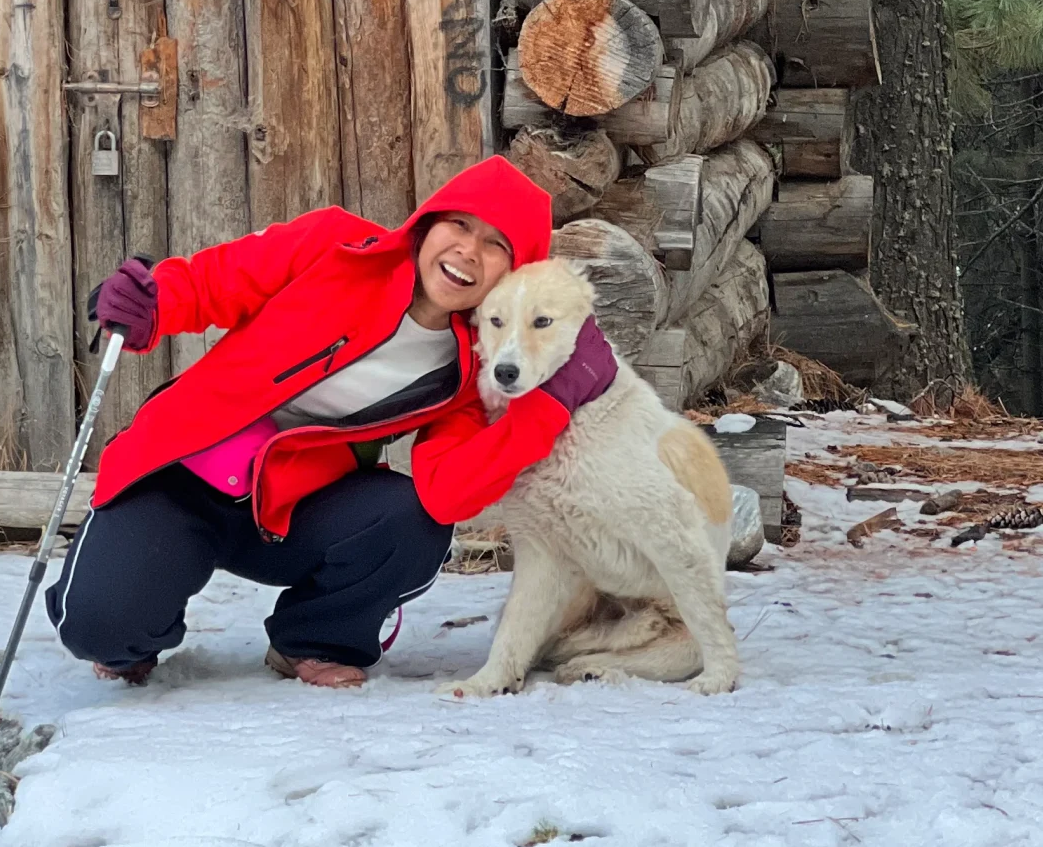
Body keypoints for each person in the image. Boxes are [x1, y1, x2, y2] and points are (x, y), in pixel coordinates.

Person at [47, 156, 618, 689]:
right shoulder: (338, 245)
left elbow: (449, 493)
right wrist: (154, 301)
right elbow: (220, 280)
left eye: (496, 245)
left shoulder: (470, 372)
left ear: (512, 275)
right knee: (99, 625)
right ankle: (136, 616)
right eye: (461, 226)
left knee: (414, 518)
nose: (469, 251)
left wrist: (549, 406)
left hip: (290, 511)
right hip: (182, 477)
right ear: (430, 222)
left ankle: (314, 637)